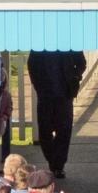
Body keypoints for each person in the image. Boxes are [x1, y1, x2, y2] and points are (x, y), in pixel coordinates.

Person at [28, 51, 86, 179]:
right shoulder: (39, 45)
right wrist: (38, 85)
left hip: (65, 94)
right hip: (45, 94)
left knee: (64, 130)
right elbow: (31, 65)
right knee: (44, 130)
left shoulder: (69, 42)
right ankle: (52, 160)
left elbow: (81, 63)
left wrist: (75, 77)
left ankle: (59, 166)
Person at [0, 67, 15, 175]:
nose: (1, 79)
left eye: (3, 77)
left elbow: (9, 107)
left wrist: (5, 116)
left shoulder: (6, 95)